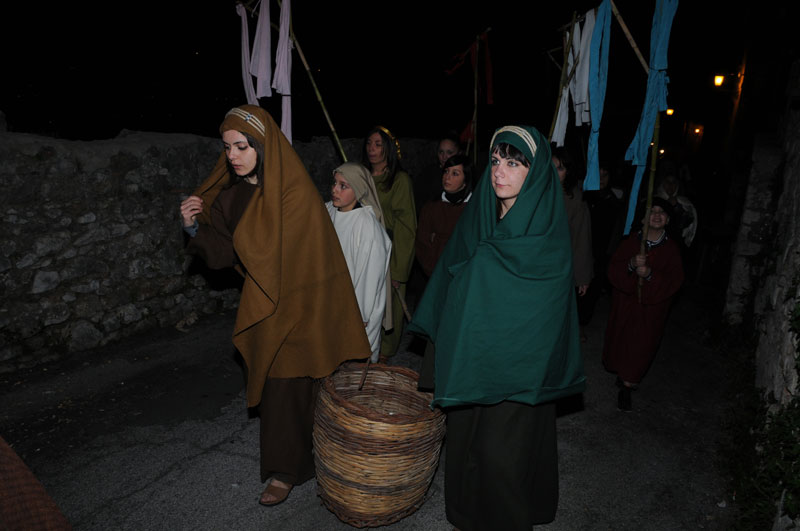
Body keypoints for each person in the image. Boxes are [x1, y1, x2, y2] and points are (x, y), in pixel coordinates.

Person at [179, 105, 371, 506]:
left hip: (308, 301)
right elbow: (225, 253)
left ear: (263, 146)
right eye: (227, 147)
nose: (231, 155)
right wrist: (195, 228)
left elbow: (313, 253)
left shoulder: (293, 191)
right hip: (268, 305)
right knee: (280, 389)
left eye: (242, 146)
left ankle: (334, 457)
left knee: (320, 386)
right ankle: (285, 471)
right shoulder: (229, 199)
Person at [408, 125, 586, 530]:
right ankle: (471, 517)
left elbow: (547, 304)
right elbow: (448, 285)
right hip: (473, 352)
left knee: (499, 452)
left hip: (519, 365)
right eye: (494, 161)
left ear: (535, 170)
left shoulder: (545, 228)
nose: (499, 171)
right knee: (467, 441)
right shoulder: (478, 215)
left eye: (513, 163)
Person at [602, 196, 684, 411]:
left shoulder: (671, 249)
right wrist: (630, 264)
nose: (656, 215)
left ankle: (628, 385)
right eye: (652, 211)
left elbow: (674, 280)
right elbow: (613, 269)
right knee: (621, 340)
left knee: (642, 345)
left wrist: (649, 275)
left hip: (652, 308)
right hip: (626, 304)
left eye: (662, 212)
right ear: (642, 218)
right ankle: (622, 373)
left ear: (667, 219)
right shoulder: (631, 242)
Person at [325, 162, 392, 362]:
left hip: (355, 310)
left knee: (351, 365)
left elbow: (370, 278)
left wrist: (359, 314)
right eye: (334, 183)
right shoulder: (327, 211)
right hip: (330, 302)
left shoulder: (368, 228)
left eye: (343, 186)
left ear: (359, 190)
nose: (334, 190)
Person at [362, 126, 417, 360]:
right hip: (364, 250)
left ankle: (384, 354)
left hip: (389, 251)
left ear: (387, 148)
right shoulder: (361, 177)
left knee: (390, 307)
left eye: (378, 144)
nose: (372, 149)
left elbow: (407, 226)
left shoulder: (399, 179)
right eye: (369, 144)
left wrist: (399, 268)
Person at [415, 154, 474, 278]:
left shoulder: (474, 209)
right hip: (434, 275)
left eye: (455, 174)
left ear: (465, 180)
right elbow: (422, 244)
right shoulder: (431, 207)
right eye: (446, 171)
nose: (447, 177)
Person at [413, 131, 463, 216]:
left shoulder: (466, 174)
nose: (444, 157)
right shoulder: (427, 174)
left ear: (459, 153)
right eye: (441, 152)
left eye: (449, 152)